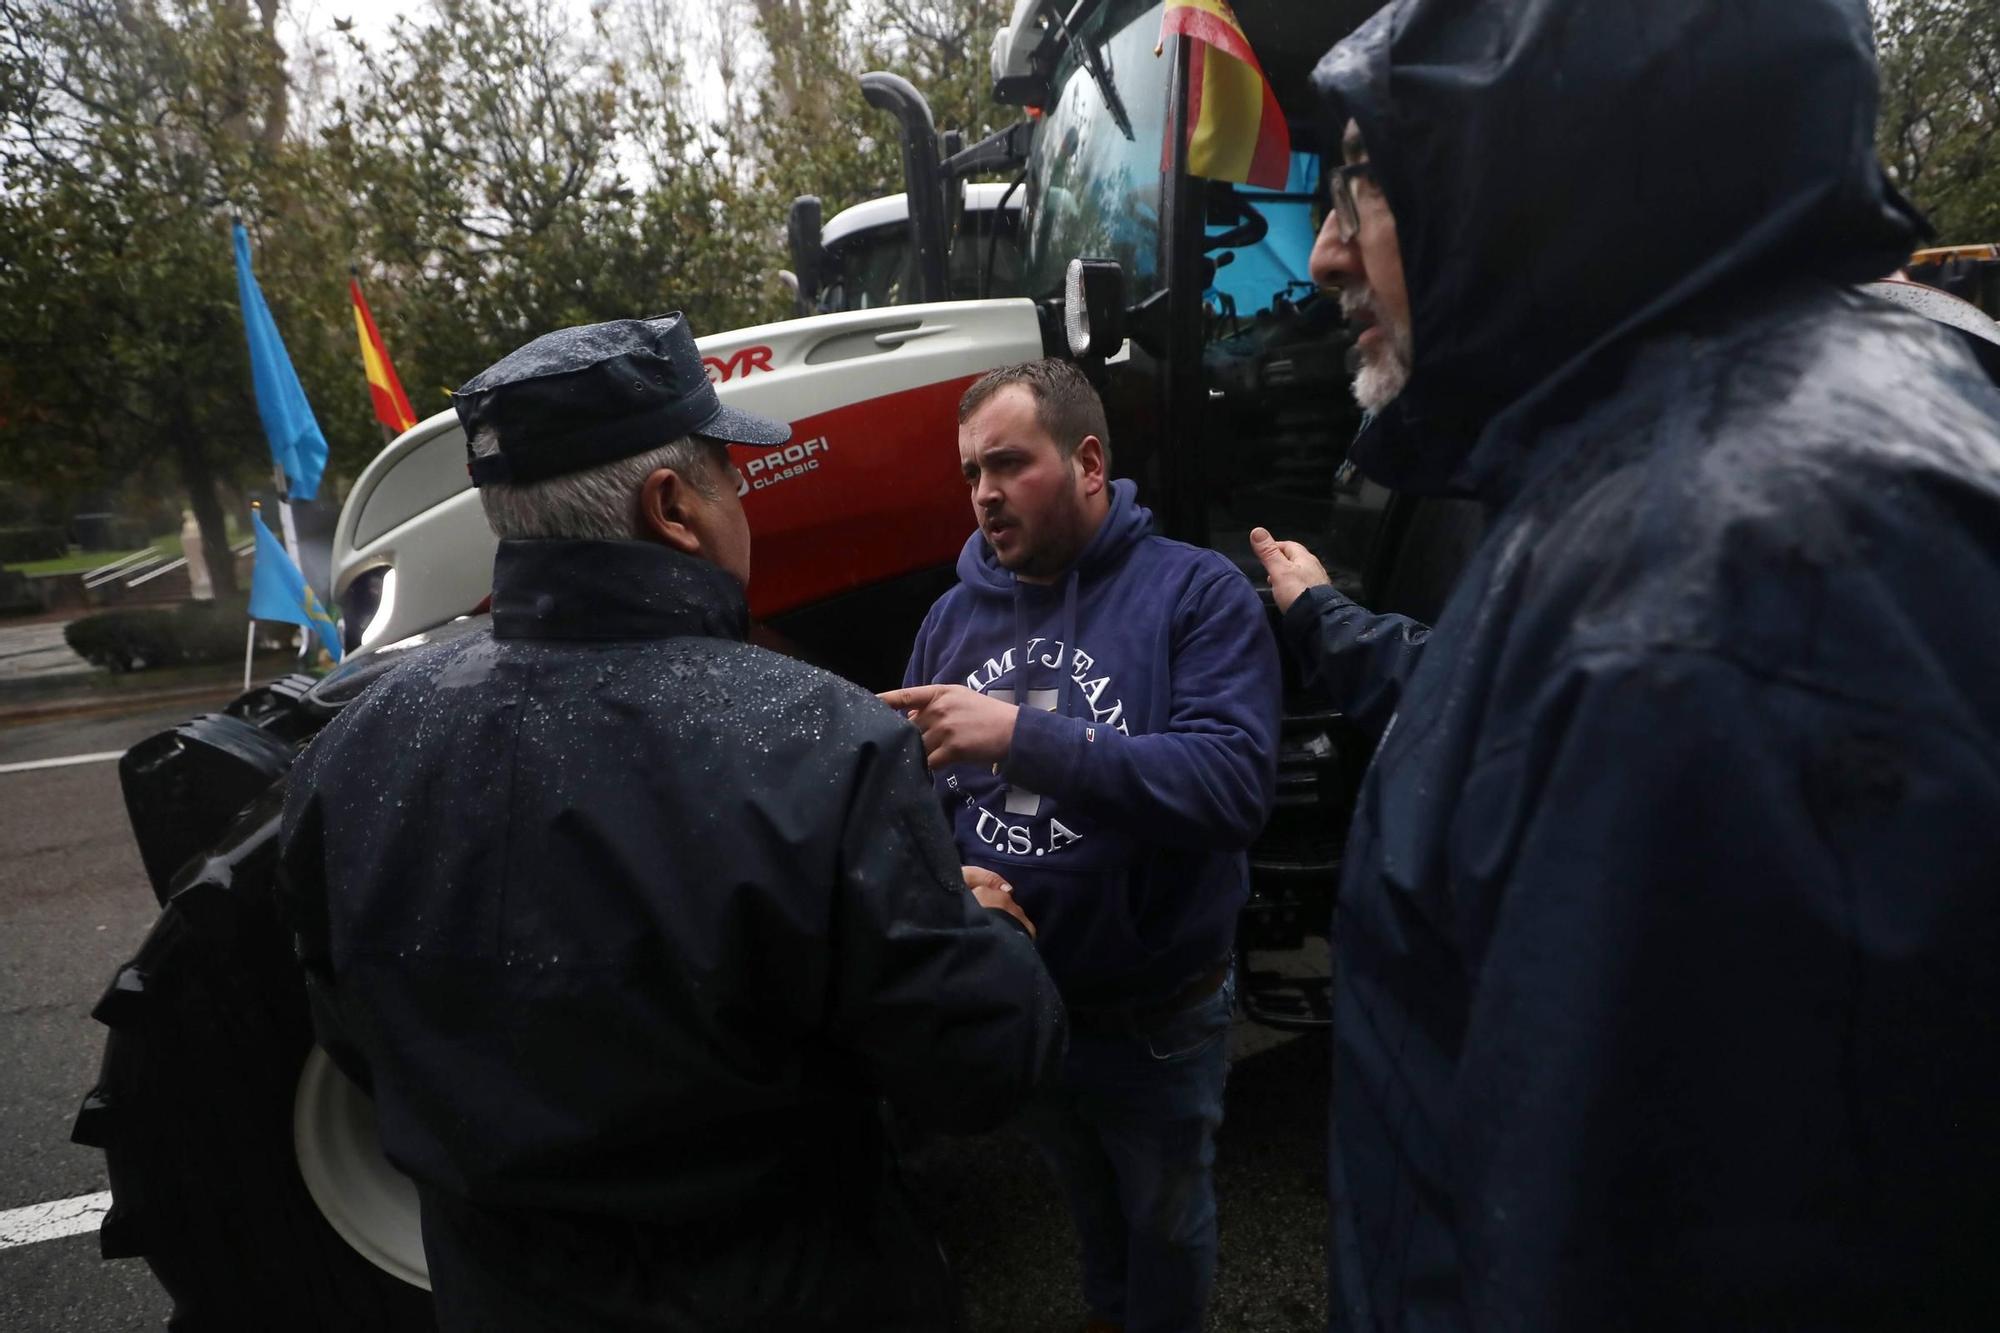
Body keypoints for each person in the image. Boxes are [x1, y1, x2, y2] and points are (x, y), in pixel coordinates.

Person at [1249, 1, 2000, 1328]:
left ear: (1550, 164)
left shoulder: (1708, 607)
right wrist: (1331, 622)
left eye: (1366, 174)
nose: (1321, 257)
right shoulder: (1744, 472)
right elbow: (1516, 749)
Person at [278, 314, 1066, 1333]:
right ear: (671, 508)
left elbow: (355, 1035)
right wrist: (991, 927)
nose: (741, 504)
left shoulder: (352, 747)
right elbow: (981, 1066)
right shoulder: (820, 742)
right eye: (727, 478)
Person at [879, 360, 1281, 1333]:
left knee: (1167, 1219)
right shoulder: (949, 618)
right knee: (1088, 1210)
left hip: (1158, 1013)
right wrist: (952, 877)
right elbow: (911, 798)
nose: (982, 493)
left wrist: (1020, 735)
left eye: (1007, 464)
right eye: (970, 471)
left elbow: (1229, 787)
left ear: (1087, 460)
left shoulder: (1197, 592)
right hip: (1032, 1006)